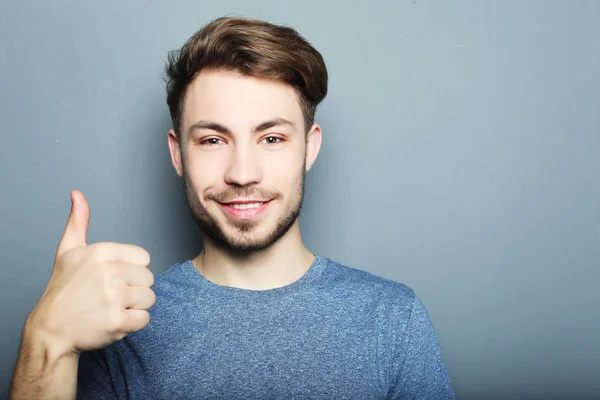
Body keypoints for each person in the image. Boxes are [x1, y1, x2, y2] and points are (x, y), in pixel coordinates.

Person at [9, 16, 455, 399]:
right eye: (212, 140)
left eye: (272, 138)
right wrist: (46, 339)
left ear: (309, 148)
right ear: (178, 153)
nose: (243, 173)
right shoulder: (119, 324)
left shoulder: (392, 319)